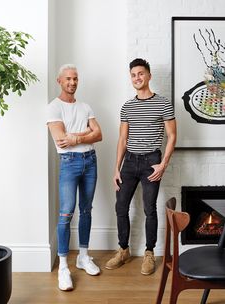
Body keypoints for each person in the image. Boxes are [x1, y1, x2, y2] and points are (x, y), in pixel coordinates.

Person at [105, 58, 176, 275]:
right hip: (129, 162)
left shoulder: (163, 103)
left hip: (151, 162)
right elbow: (122, 140)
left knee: (149, 209)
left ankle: (149, 253)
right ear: (131, 78)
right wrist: (116, 168)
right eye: (133, 75)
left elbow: (172, 135)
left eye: (141, 74)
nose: (137, 78)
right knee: (121, 207)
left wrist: (163, 164)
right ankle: (123, 250)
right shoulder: (127, 106)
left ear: (149, 75)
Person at [47, 64, 102, 291]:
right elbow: (61, 140)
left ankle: (83, 256)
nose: (72, 82)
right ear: (59, 81)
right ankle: (63, 267)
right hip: (69, 163)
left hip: (90, 161)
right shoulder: (53, 107)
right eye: (68, 79)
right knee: (66, 214)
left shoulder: (85, 106)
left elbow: (99, 134)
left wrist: (76, 137)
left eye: (75, 78)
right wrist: (85, 135)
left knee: (87, 209)